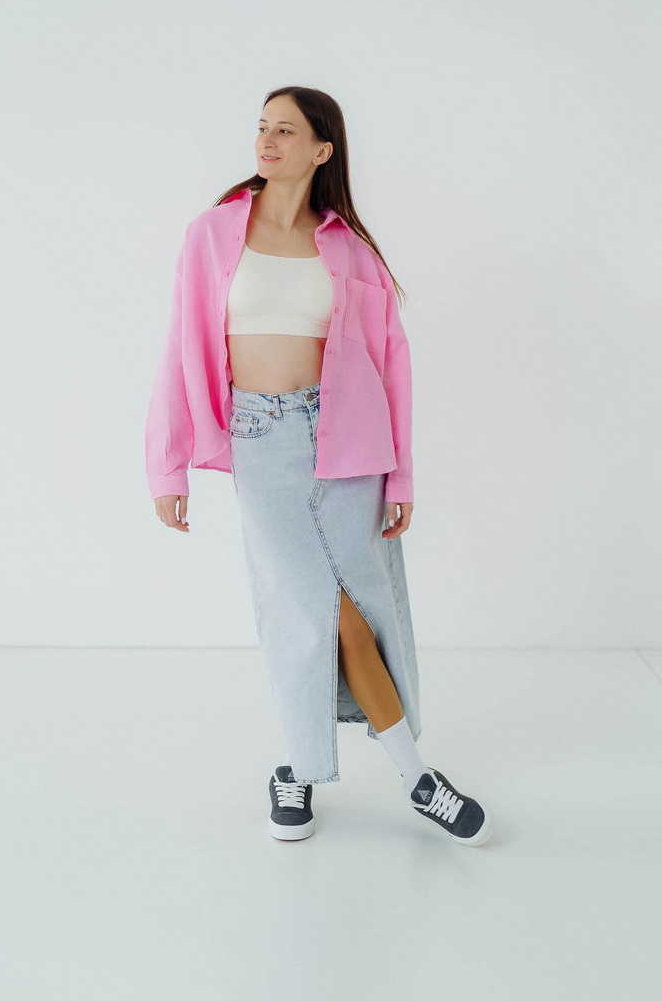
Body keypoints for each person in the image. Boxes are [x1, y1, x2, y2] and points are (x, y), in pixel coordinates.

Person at [145, 86, 492, 847]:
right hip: (261, 441)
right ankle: (408, 778)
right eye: (262, 128)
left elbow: (391, 363)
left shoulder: (349, 248)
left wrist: (402, 477)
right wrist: (168, 466)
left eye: (285, 130)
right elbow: (179, 346)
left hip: (348, 443)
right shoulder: (212, 234)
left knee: (356, 609)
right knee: (311, 610)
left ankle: (308, 770)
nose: (267, 141)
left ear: (321, 149)